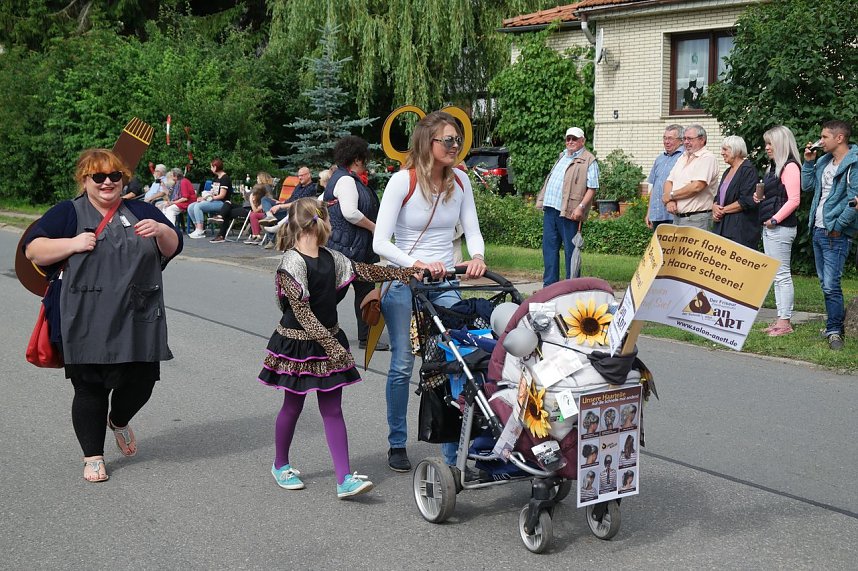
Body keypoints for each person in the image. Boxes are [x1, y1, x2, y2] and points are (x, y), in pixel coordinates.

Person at [22, 148, 182, 483]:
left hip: (138, 314)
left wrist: (162, 231)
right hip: (85, 316)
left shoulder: (140, 210)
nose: (108, 182)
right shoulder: (68, 212)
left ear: (124, 179)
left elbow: (173, 246)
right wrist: (72, 244)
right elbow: (33, 249)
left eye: (115, 176)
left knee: (141, 382)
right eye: (99, 177)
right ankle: (93, 455)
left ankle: (119, 420)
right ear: (85, 180)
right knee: (90, 388)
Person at [258, 198, 417, 498]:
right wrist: (333, 346)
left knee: (332, 409)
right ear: (320, 223)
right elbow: (302, 314)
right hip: (298, 345)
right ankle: (280, 464)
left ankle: (344, 478)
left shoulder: (333, 257)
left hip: (328, 341)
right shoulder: (290, 263)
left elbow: (365, 271)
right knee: (292, 406)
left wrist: (403, 272)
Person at [373, 111, 486, 472]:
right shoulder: (401, 183)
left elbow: (472, 230)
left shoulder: (461, 184)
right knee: (404, 361)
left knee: (454, 359)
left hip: (444, 280)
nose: (455, 146)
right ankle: (396, 442)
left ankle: (453, 455)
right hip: (403, 278)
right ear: (428, 143)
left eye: (457, 141)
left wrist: (478, 256)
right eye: (447, 140)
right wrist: (415, 262)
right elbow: (380, 240)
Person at [801, 120, 858, 351]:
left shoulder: (854, 164)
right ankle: (834, 324)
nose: (819, 141)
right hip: (818, 229)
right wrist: (808, 163)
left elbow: (855, 201)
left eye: (824, 137)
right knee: (825, 283)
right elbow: (807, 187)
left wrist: (838, 225)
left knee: (831, 284)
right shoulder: (824, 161)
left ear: (839, 138)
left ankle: (835, 330)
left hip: (835, 232)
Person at [324, 136, 384, 351]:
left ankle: (367, 338)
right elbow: (350, 213)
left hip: (351, 247)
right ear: (357, 159)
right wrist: (374, 227)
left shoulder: (339, 177)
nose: (365, 164)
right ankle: (311, 329)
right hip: (349, 249)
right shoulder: (347, 180)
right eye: (364, 159)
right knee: (335, 293)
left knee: (363, 290)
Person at [535, 126, 598, 287]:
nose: (570, 142)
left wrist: (581, 207)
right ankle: (549, 287)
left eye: (574, 139)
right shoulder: (563, 156)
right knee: (549, 250)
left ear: (582, 141)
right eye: (568, 138)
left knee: (572, 252)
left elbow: (592, 188)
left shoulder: (588, 160)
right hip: (551, 209)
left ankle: (573, 288)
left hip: (570, 212)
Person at [756, 126, 802, 337]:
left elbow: (794, 200)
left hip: (780, 228)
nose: (767, 148)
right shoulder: (776, 167)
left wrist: (775, 219)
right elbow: (778, 197)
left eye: (770, 144)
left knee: (782, 275)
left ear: (781, 144)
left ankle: (784, 322)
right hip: (772, 226)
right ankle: (780, 318)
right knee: (776, 275)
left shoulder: (790, 167)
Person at [662, 124, 720, 230]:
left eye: (690, 139)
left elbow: (697, 186)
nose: (686, 142)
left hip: (697, 219)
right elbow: (669, 181)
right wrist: (670, 201)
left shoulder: (707, 158)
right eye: (684, 138)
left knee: (696, 247)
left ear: (702, 140)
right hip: (677, 217)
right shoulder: (683, 157)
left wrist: (671, 196)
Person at [712, 135, 759, 249]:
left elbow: (746, 200)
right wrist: (714, 208)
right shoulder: (727, 171)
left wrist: (722, 211)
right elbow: (718, 197)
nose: (722, 153)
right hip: (722, 227)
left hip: (739, 230)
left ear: (736, 150)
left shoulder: (748, 170)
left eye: (725, 149)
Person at [646, 125, 685, 231]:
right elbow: (654, 187)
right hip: (658, 214)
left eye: (670, 138)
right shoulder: (659, 159)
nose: (666, 141)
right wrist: (649, 213)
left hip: (674, 214)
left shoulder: (685, 157)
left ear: (681, 141)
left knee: (674, 247)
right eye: (665, 138)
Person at [188, 158, 231, 238]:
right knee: (191, 206)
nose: (211, 169)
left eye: (211, 167)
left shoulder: (225, 179)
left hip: (222, 203)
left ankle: (200, 230)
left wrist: (209, 198)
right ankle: (198, 227)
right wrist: (204, 197)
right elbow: (213, 192)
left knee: (198, 206)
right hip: (214, 200)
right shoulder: (216, 178)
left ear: (215, 167)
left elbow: (222, 195)